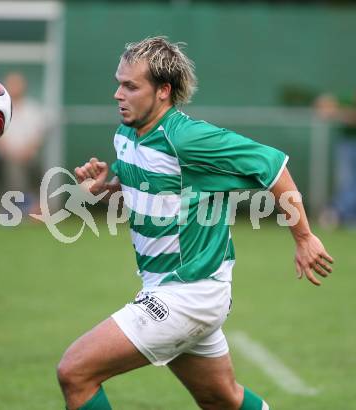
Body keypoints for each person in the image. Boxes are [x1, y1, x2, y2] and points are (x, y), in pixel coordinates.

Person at [57, 37, 334, 410]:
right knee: (221, 399)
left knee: (76, 372)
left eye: (130, 86)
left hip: (188, 294)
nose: (117, 94)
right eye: (119, 82)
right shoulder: (126, 135)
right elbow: (145, 196)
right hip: (173, 288)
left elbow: (272, 167)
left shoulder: (187, 138)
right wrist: (101, 189)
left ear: (163, 91)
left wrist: (304, 237)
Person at [0, 72, 46, 211]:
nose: (15, 87)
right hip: (5, 156)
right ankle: (21, 206)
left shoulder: (33, 109)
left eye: (18, 84)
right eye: (11, 84)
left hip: (29, 155)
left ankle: (28, 205)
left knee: (31, 166)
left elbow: (38, 136)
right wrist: (11, 153)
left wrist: (26, 152)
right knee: (12, 167)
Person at [315, 93, 356, 227]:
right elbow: (324, 103)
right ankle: (334, 212)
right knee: (347, 182)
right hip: (348, 144)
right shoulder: (347, 98)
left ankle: (338, 213)